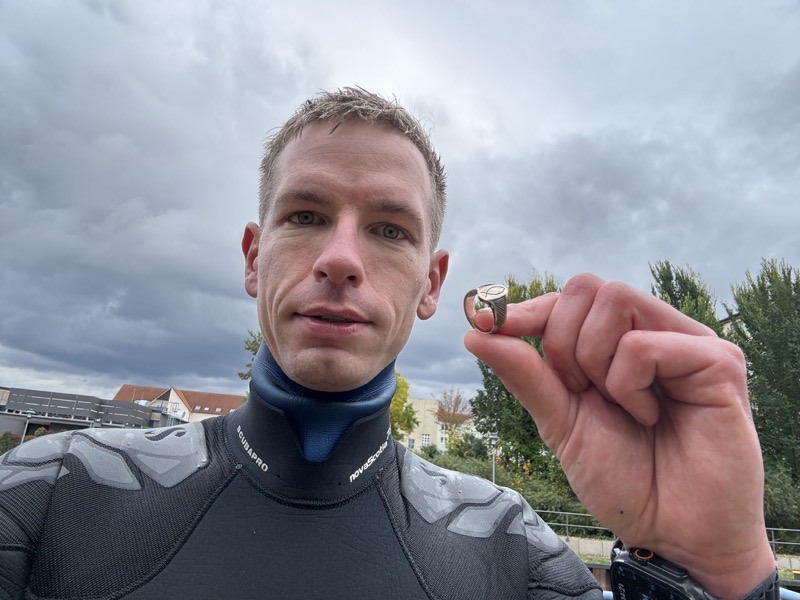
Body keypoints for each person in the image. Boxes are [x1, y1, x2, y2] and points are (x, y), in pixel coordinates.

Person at [0, 88, 779, 599]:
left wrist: (717, 569)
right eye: (304, 215)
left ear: (434, 283)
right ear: (251, 256)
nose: (341, 258)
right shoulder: (50, 492)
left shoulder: (510, 550)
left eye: (388, 229)